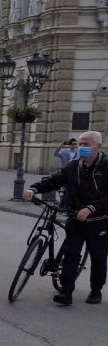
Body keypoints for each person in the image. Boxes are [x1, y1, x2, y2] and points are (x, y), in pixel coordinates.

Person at [24, 131, 108, 305]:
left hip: (99, 221)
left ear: (98, 146)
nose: (82, 147)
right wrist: (34, 189)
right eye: (81, 144)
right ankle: (66, 291)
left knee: (98, 257)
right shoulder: (73, 166)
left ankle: (96, 290)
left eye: (87, 144)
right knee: (71, 254)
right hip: (75, 217)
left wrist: (91, 208)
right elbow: (55, 180)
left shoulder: (106, 166)